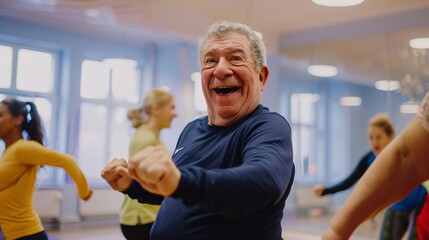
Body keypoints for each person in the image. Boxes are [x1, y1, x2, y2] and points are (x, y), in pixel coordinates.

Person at [101, 21, 295, 240]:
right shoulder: (192, 129)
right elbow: (175, 192)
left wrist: (181, 181)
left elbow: (262, 183)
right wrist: (132, 184)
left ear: (261, 77)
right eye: (210, 60)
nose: (221, 69)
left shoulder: (267, 126)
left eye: (236, 58)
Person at [322, 92, 429, 240]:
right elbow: (350, 180)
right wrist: (326, 192)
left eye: (379, 137)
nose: (374, 142)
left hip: (417, 204)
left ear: (391, 137)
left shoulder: (398, 155)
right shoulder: (369, 159)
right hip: (397, 207)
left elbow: (407, 158)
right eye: (371, 138)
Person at [0, 98, 92, 240]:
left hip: (27, 235)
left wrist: (85, 192)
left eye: (0, 115)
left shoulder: (23, 148)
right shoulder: (9, 151)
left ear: (17, 120)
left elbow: (68, 161)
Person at [120, 88, 177, 240]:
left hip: (146, 216)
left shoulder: (151, 136)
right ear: (156, 109)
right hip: (142, 218)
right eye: (171, 108)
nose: (175, 113)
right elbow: (141, 180)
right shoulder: (146, 139)